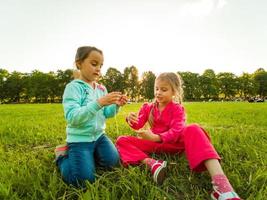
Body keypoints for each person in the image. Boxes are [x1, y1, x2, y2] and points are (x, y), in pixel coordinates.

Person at [116, 72, 240, 200]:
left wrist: (156, 137)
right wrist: (130, 119)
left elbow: (177, 130)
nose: (158, 92)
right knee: (121, 140)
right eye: (156, 88)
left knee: (193, 128)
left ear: (174, 92)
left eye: (164, 90)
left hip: (174, 145)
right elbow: (137, 125)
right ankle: (153, 163)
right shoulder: (148, 108)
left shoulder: (177, 109)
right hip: (155, 145)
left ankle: (222, 186)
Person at [55, 46, 127, 187]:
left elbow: (107, 113)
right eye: (94, 64)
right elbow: (72, 117)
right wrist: (99, 103)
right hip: (79, 140)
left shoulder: (101, 89)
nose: (98, 68)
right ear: (79, 64)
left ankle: (89, 157)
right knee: (83, 181)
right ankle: (62, 157)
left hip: (99, 136)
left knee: (112, 163)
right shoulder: (74, 87)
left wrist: (116, 105)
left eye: (101, 65)